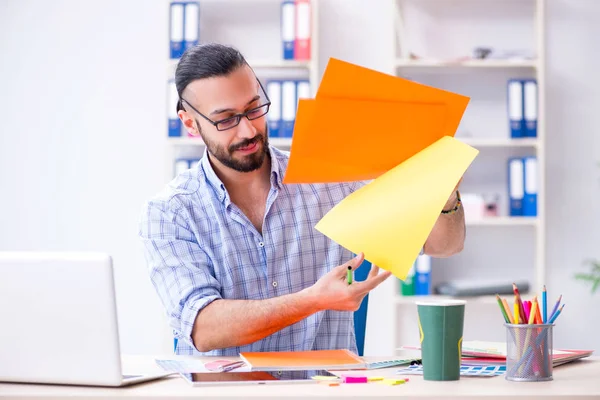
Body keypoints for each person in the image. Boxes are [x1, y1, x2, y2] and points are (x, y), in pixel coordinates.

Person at [139, 43, 466, 356]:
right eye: (225, 119)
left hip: (319, 390)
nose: (249, 130)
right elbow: (204, 328)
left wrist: (445, 193)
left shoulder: (332, 180)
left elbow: (443, 245)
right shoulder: (171, 212)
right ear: (190, 124)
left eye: (254, 109)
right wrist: (314, 300)